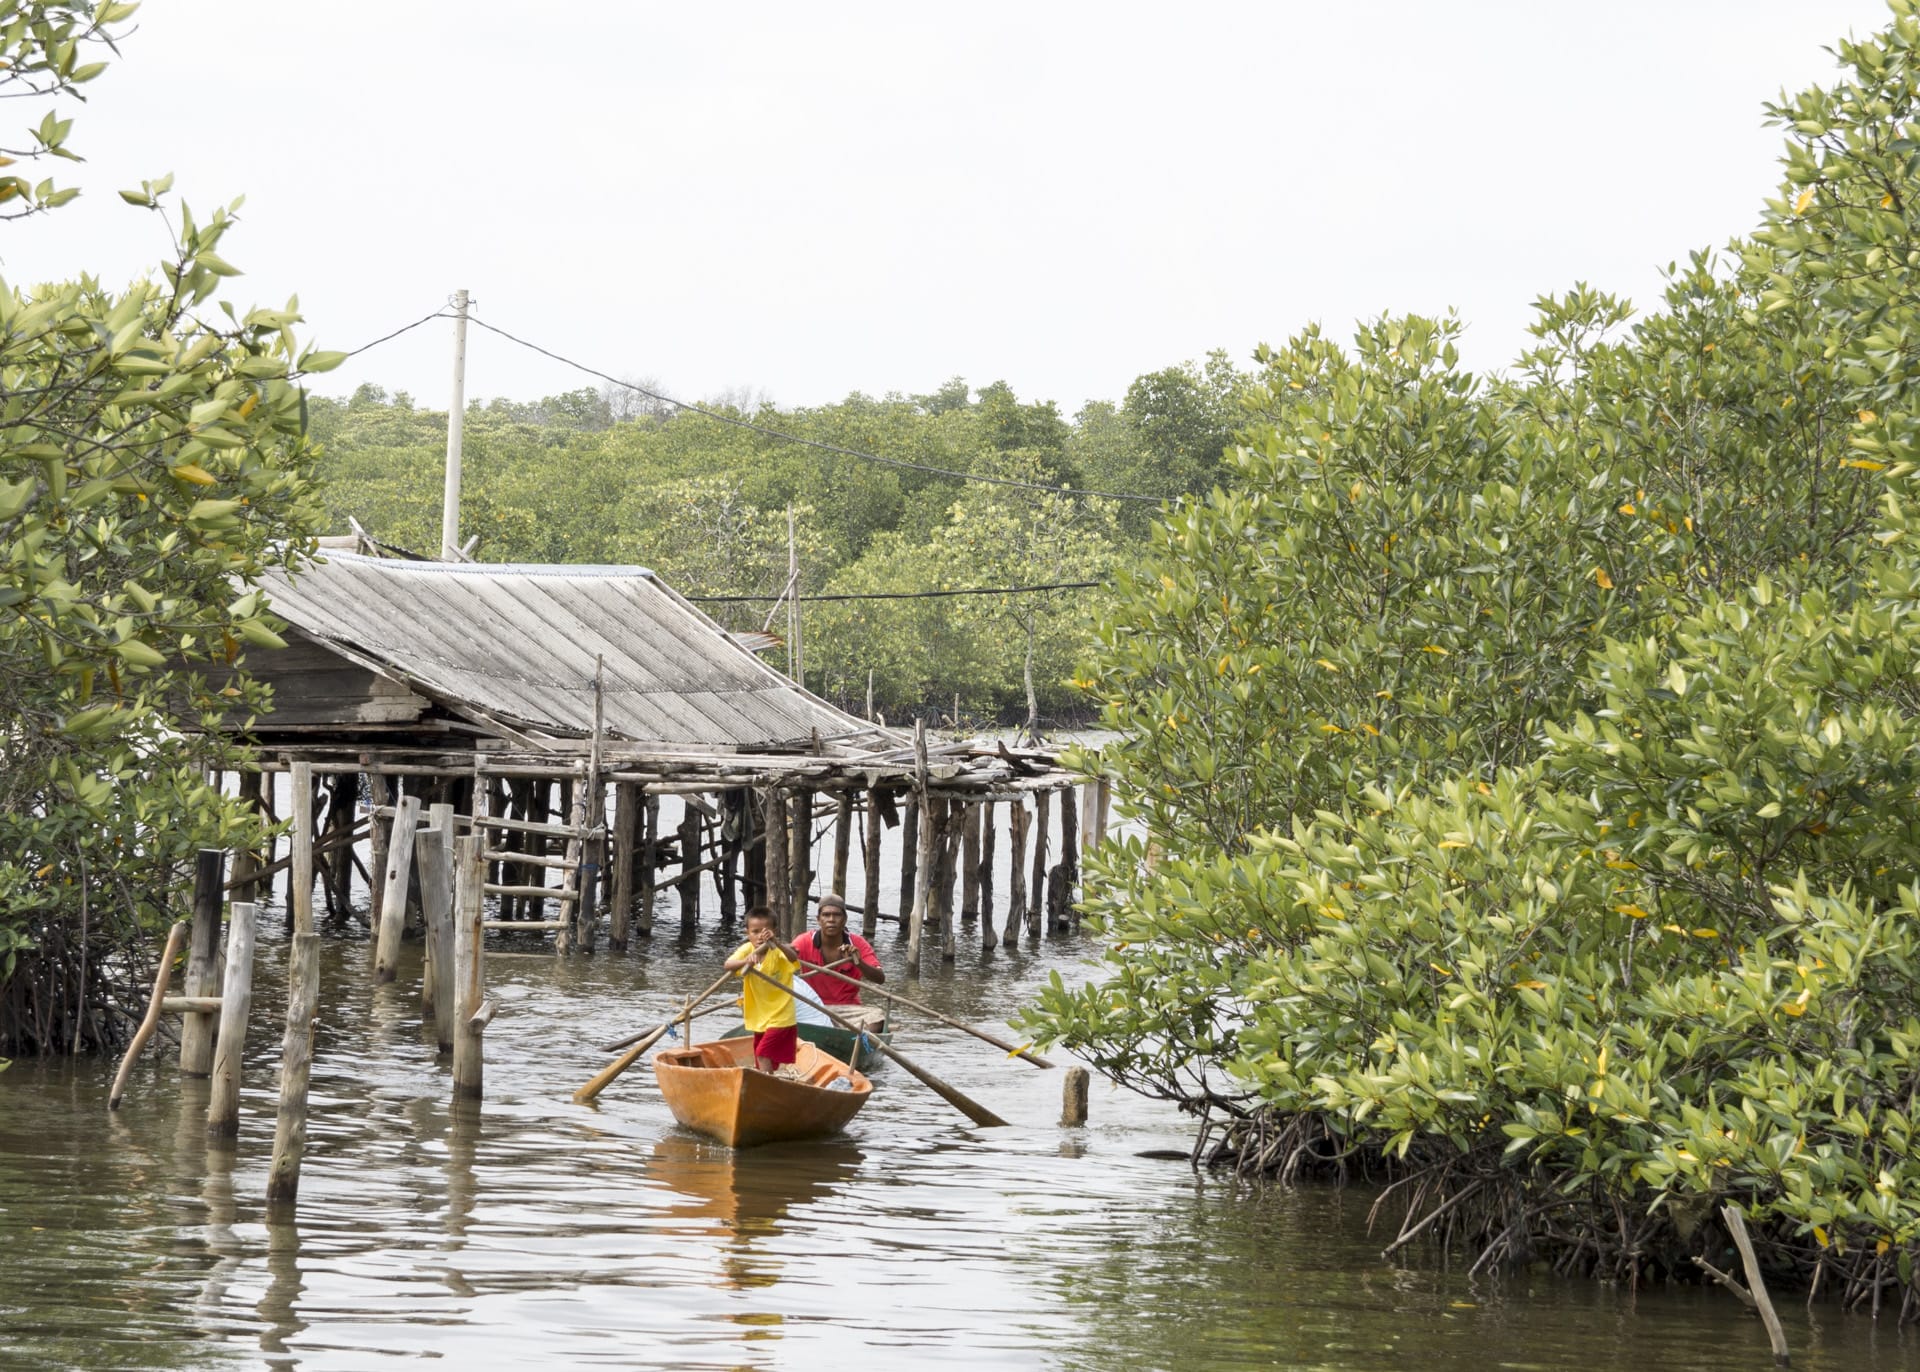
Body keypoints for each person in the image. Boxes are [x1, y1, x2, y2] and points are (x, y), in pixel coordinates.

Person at [722, 907, 804, 1073]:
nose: (760, 936)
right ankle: (767, 1077)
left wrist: (777, 943)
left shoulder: (778, 951)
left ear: (773, 932)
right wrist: (745, 962)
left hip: (781, 1017)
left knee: (762, 1054)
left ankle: (766, 1082)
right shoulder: (747, 949)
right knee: (761, 1057)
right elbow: (728, 965)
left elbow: (793, 957)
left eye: (764, 932)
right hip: (759, 1017)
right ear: (747, 933)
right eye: (755, 932)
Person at [792, 892, 885, 1007]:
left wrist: (858, 962)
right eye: (826, 915)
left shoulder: (858, 944)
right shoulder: (804, 941)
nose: (831, 919)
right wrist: (777, 946)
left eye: (837, 915)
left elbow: (880, 978)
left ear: (844, 919)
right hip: (813, 1006)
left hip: (848, 1008)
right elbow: (784, 959)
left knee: (877, 1017)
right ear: (818, 919)